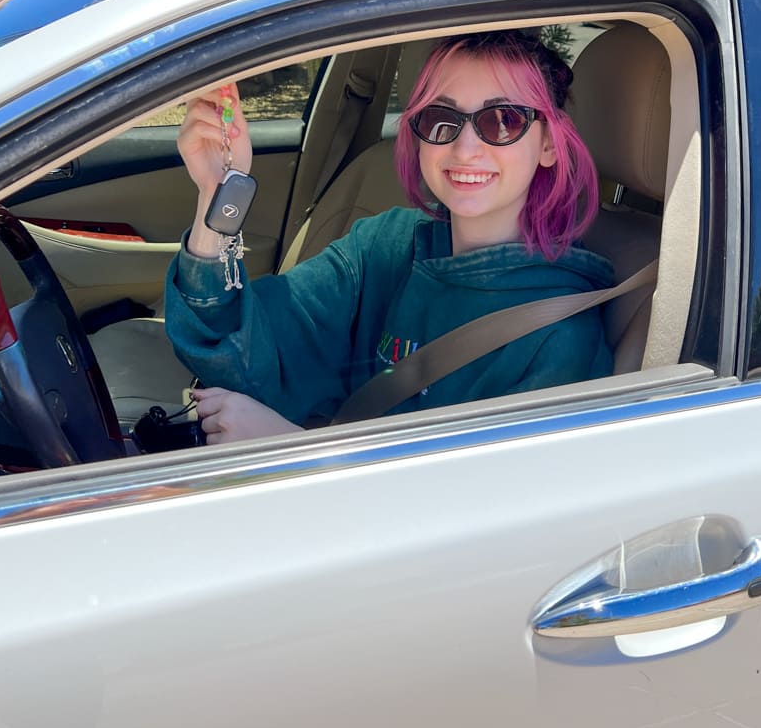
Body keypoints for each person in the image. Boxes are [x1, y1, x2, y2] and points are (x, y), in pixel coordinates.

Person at [165, 30, 615, 445]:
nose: (465, 148)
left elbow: (486, 518)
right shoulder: (385, 247)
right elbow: (233, 347)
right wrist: (219, 194)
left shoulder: (562, 339)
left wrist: (294, 450)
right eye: (442, 118)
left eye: (503, 120)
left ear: (550, 144)